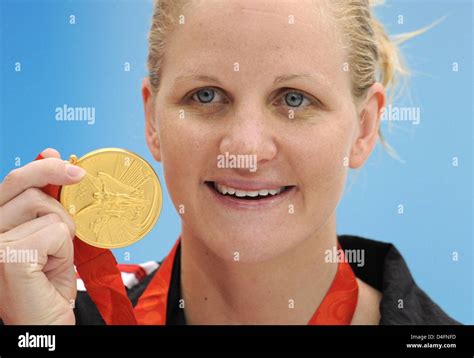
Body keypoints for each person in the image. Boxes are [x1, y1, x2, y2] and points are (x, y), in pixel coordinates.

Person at [0, 0, 459, 325]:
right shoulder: (47, 318)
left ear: (363, 127)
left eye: (294, 99)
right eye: (206, 96)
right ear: (152, 120)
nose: (245, 147)